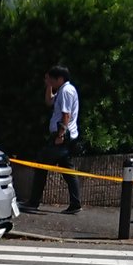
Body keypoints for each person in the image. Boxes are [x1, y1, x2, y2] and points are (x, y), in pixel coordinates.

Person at [19, 65, 81, 214]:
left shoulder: (66, 91)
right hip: (66, 136)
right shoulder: (63, 90)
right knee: (68, 171)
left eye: (51, 79)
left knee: (41, 166)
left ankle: (34, 202)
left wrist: (60, 135)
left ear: (60, 78)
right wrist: (49, 86)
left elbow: (66, 115)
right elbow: (49, 102)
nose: (49, 81)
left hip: (61, 137)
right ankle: (75, 203)